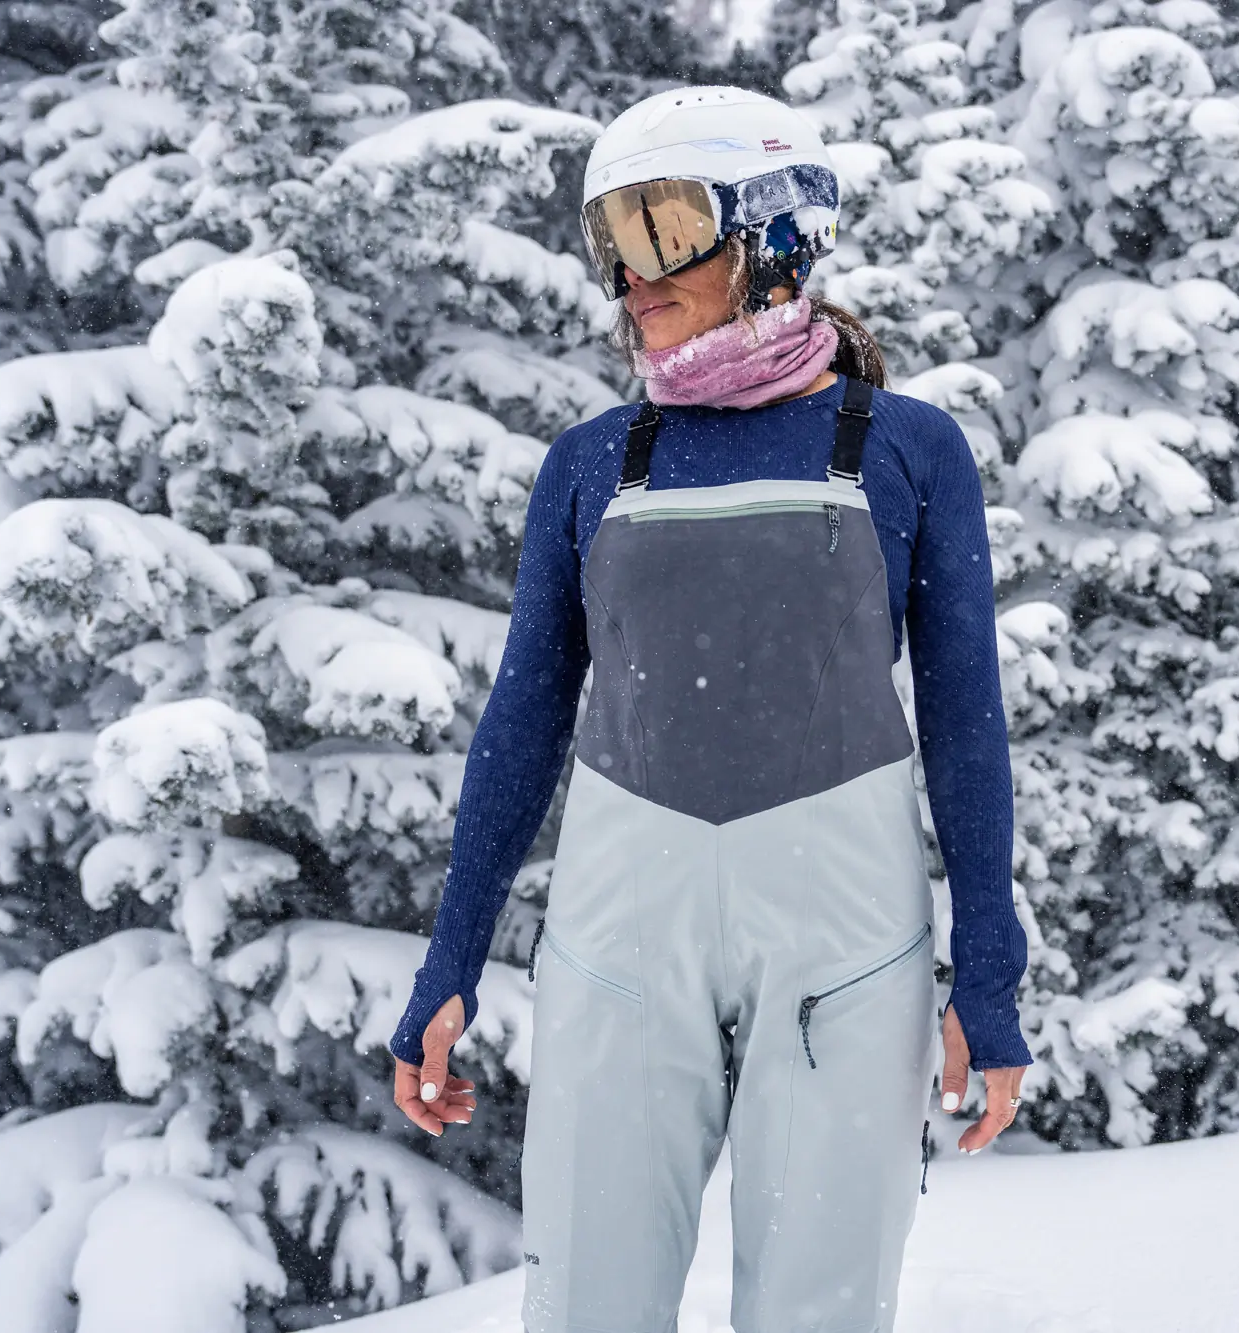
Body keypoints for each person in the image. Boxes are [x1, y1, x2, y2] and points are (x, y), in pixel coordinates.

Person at [388, 85, 1032, 1333]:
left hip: (844, 947)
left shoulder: (900, 445)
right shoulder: (591, 462)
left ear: (772, 234)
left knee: (819, 1312)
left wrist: (987, 980)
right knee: (587, 1306)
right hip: (620, 939)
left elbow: (965, 730)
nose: (631, 277)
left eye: (662, 228)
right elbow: (521, 722)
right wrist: (449, 961)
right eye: (609, 242)